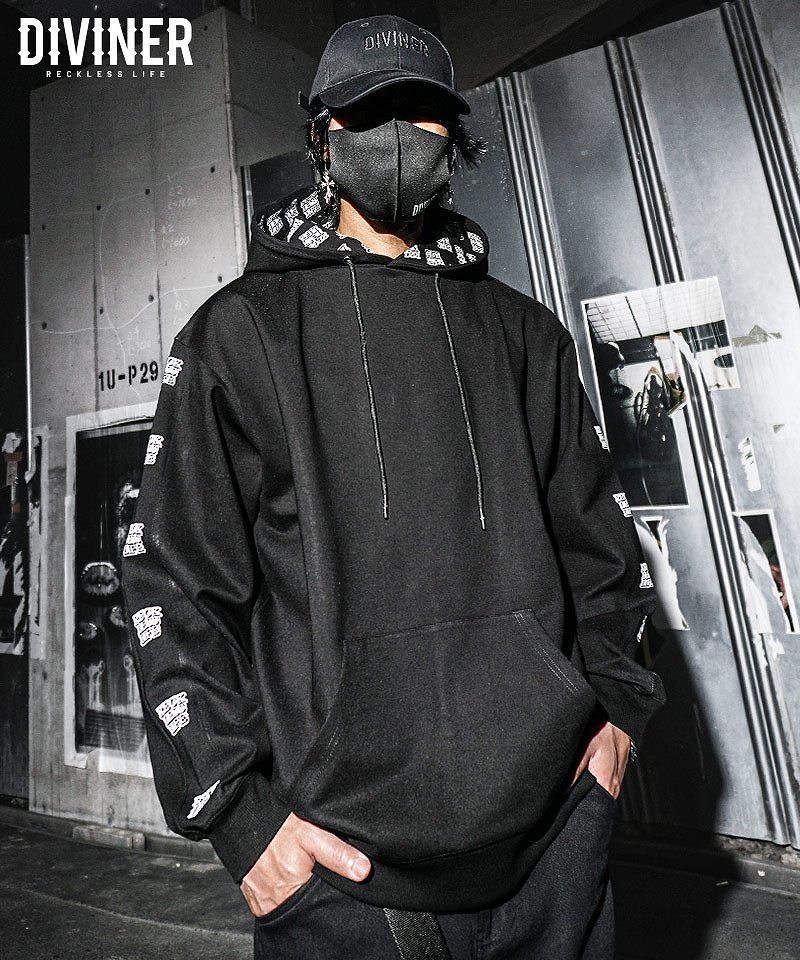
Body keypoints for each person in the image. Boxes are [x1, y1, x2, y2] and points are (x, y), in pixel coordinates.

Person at [121, 14, 665, 960]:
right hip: (342, 887)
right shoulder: (240, 335)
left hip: (555, 858)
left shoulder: (525, 337)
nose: (399, 138)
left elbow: (602, 553)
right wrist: (240, 820)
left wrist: (618, 719)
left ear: (455, 138)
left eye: (422, 113)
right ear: (322, 137)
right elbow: (172, 581)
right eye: (369, 113)